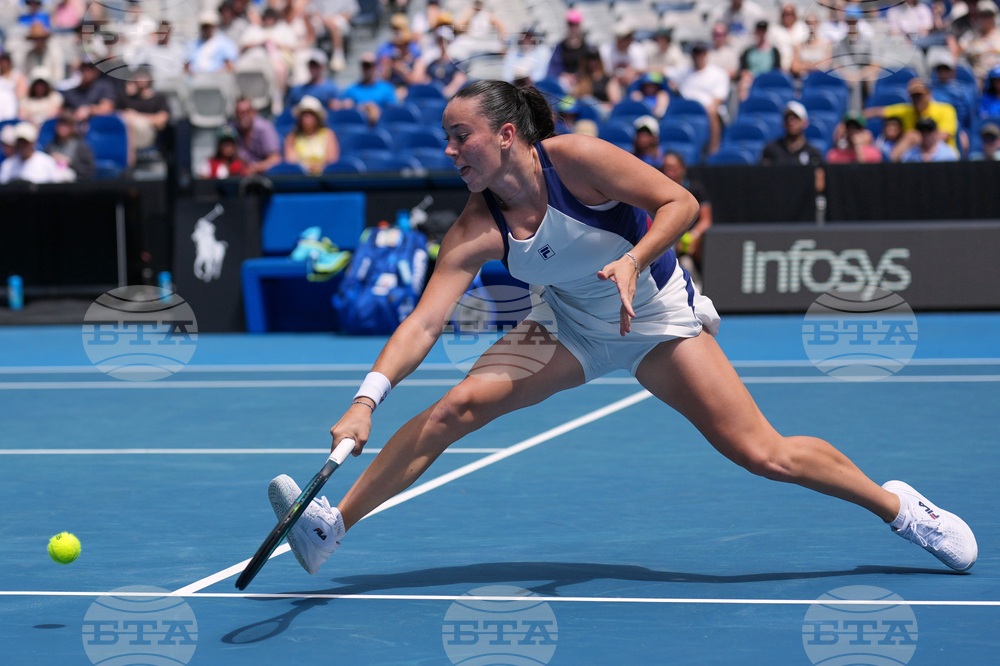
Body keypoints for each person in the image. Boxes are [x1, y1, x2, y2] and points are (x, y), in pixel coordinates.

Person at [265, 80, 978, 580]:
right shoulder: (478, 226)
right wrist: (367, 398)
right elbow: (422, 323)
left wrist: (636, 258)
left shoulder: (575, 160)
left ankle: (899, 508)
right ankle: (331, 527)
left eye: (462, 137)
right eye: (448, 140)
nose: (452, 151)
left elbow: (680, 201)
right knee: (456, 406)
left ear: (506, 134)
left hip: (658, 319)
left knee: (765, 453)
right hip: (570, 323)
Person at [865, 77, 959, 159]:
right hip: (915, 157)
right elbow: (878, 112)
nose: (917, 99)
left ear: (929, 94)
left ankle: (889, 164)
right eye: (914, 96)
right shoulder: (907, 110)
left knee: (911, 135)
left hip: (942, 157)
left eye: (920, 95)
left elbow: (944, 137)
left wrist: (917, 137)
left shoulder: (945, 109)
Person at [661, 150, 711, 281]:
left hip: (692, 240)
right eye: (666, 168)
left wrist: (693, 236)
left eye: (673, 168)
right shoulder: (659, 191)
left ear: (682, 168)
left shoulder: (696, 189)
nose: (669, 172)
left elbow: (706, 221)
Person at [676, 42, 731, 153]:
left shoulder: (718, 73)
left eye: (700, 53)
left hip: (709, 110)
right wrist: (638, 70)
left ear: (706, 54)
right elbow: (664, 70)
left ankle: (713, 149)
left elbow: (719, 98)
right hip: (687, 111)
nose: (698, 56)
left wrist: (710, 107)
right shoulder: (683, 71)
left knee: (712, 111)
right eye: (695, 53)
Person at [117, 66, 170, 165]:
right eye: (138, 76)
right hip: (128, 135)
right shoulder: (127, 98)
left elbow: (161, 121)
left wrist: (137, 116)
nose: (140, 79)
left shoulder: (159, 98)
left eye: (143, 76)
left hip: (148, 136)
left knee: (136, 123)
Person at [0, 121, 72, 183]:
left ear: (33, 142)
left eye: (26, 142)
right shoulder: (7, 165)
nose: (22, 145)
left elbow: (56, 188)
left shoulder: (47, 162)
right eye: (20, 142)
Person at [283, 95, 338, 175]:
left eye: (310, 114)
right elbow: (291, 161)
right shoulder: (292, 137)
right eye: (303, 114)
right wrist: (308, 167)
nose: (306, 117)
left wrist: (317, 167)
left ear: (317, 117)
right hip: (300, 178)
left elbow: (331, 160)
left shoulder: (328, 134)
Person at [342, 52, 398, 125]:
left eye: (370, 65)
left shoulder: (387, 88)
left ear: (375, 66)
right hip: (358, 126)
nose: (367, 68)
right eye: (364, 65)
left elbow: (392, 111)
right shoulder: (351, 89)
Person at [761, 100, 823, 165]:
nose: (791, 122)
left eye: (796, 117)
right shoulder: (771, 150)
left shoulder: (813, 154)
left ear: (805, 122)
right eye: (787, 117)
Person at [231, 97, 282, 175]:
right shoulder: (231, 130)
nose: (243, 116)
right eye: (240, 112)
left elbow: (275, 159)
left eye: (247, 112)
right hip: (239, 175)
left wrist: (256, 168)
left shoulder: (264, 128)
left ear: (254, 112)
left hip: (264, 175)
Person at [44, 110, 95, 180]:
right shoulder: (50, 147)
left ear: (72, 128)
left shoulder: (81, 147)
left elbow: (89, 171)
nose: (62, 128)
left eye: (66, 125)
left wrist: (70, 163)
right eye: (61, 124)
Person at [738, 21, 781, 100]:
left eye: (763, 30)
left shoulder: (774, 51)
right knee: (743, 84)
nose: (761, 32)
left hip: (768, 80)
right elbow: (743, 70)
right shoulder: (748, 51)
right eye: (759, 30)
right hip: (751, 80)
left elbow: (777, 70)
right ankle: (744, 108)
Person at [547, 9, 590, 87]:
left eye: (575, 24)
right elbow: (554, 68)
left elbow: (589, 67)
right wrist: (564, 75)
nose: (573, 27)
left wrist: (577, 76)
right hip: (563, 83)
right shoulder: (559, 47)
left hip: (582, 84)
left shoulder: (586, 47)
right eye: (570, 24)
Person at [959, 0, 1000, 81]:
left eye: (989, 15)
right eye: (983, 15)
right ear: (978, 17)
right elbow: (959, 54)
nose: (986, 19)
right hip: (978, 76)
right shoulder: (971, 35)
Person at [600, 21, 647, 86]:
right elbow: (607, 72)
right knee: (612, 83)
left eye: (630, 37)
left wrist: (630, 73)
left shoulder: (637, 49)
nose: (629, 40)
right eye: (625, 38)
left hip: (632, 80)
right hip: (613, 80)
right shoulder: (606, 50)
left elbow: (641, 69)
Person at [791, 13, 831, 78]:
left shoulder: (826, 44)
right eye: (808, 23)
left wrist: (804, 65)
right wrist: (815, 65)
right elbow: (795, 68)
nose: (811, 26)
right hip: (804, 81)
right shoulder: (799, 46)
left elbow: (825, 66)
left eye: (813, 23)